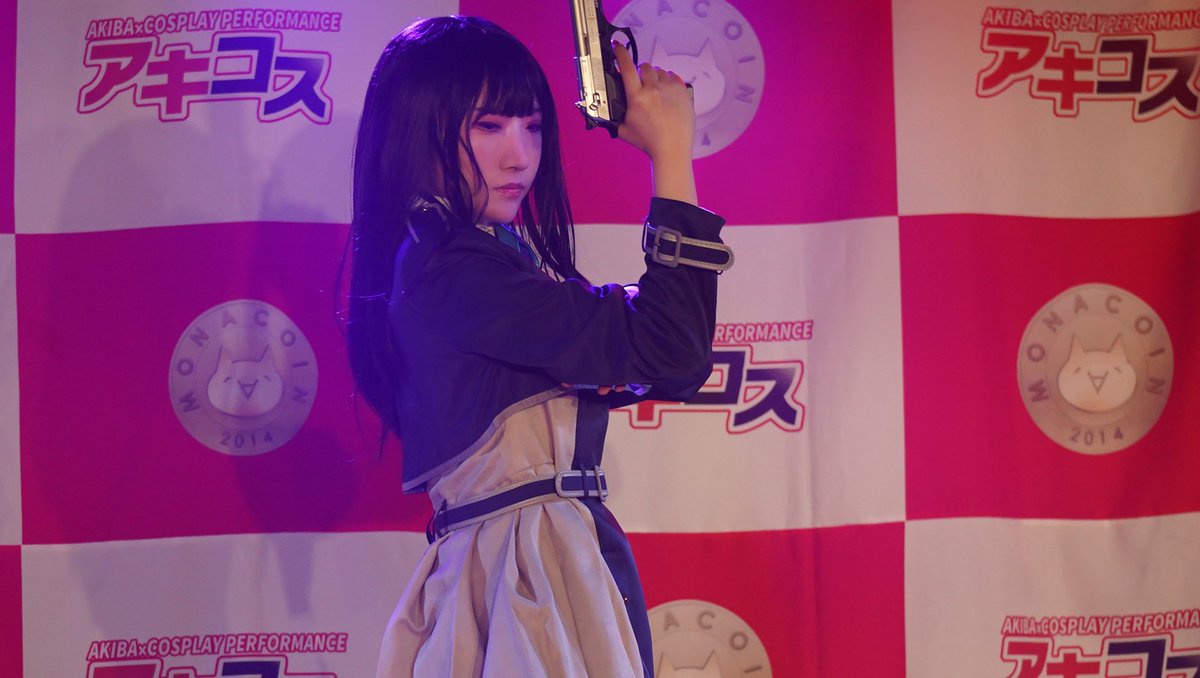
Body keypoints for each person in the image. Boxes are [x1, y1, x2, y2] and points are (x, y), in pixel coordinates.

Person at [346, 15, 731, 678]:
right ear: (416, 129)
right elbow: (672, 349)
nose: (520, 156)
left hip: (533, 563)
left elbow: (668, 357)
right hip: (522, 579)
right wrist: (671, 156)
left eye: (532, 126)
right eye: (488, 126)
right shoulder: (451, 269)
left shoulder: (466, 260)